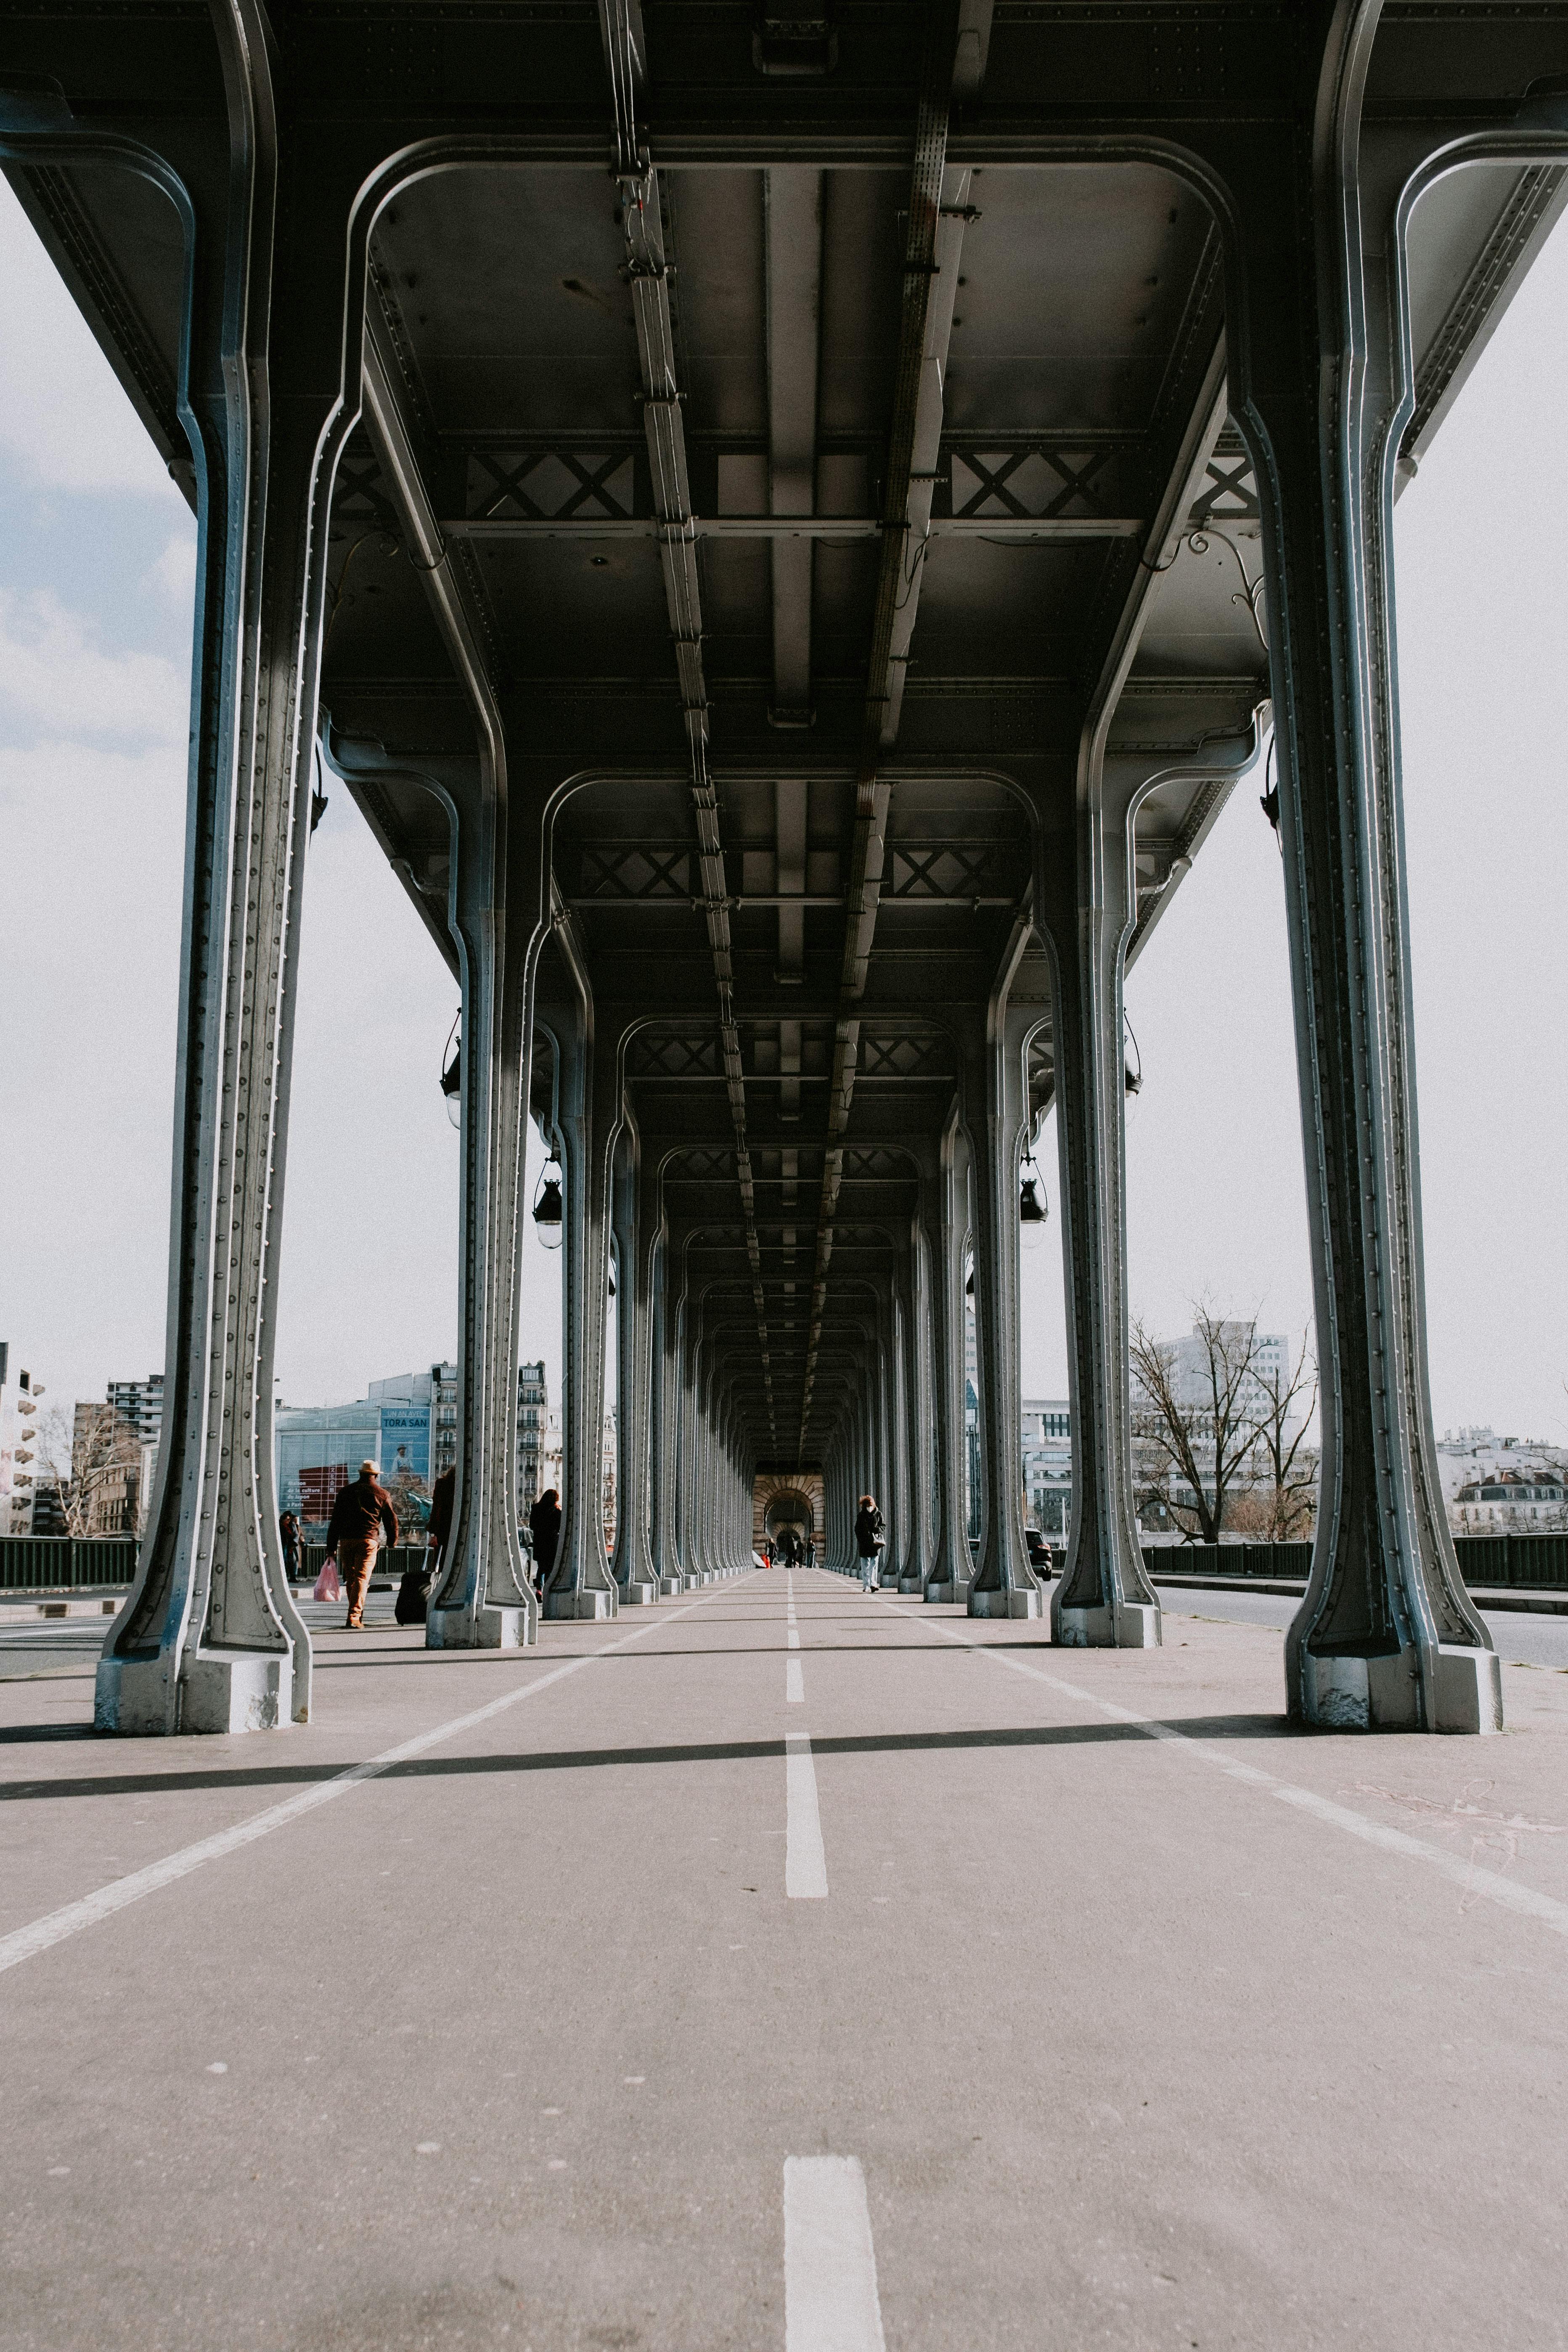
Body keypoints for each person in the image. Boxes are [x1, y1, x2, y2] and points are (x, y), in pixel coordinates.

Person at [323, 1459, 398, 1630]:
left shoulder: (345, 1492)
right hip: (368, 1540)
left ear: (360, 1474)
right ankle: (354, 1616)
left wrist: (331, 1546)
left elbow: (336, 1521)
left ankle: (355, 1613)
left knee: (351, 1579)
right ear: (375, 1476)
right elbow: (391, 1521)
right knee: (362, 1579)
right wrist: (392, 1541)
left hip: (347, 1540)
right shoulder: (382, 1494)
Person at [529, 1486, 562, 1597]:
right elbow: (560, 1527)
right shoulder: (556, 1511)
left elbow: (532, 1525)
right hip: (552, 1543)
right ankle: (547, 1590)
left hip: (540, 1543)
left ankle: (539, 1589)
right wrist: (559, 1511)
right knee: (550, 1569)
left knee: (541, 1568)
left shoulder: (536, 1508)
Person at [854, 1493, 884, 1594]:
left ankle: (873, 1584)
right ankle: (866, 1585)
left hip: (875, 1543)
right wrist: (861, 1538)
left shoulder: (879, 1514)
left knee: (874, 1564)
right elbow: (857, 1529)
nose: (870, 1508)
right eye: (868, 1506)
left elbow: (883, 1526)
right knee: (866, 1565)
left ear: (874, 1505)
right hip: (864, 1544)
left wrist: (877, 1530)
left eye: (871, 1505)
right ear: (864, 1506)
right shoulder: (861, 1516)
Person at [278, 1510, 301, 1584]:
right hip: (284, 1545)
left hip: (292, 1546)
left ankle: (293, 1576)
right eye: (288, 1519)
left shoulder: (293, 1525)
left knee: (294, 1560)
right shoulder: (280, 1525)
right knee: (283, 1560)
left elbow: (296, 1535)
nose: (290, 1519)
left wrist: (294, 1542)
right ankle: (283, 1576)